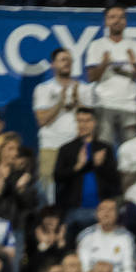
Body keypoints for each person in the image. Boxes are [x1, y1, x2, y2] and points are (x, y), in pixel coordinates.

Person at [33, 49, 94, 205]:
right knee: (48, 193)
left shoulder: (84, 89)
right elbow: (42, 120)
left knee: (75, 189)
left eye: (69, 60)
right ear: (53, 64)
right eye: (62, 59)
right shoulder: (43, 89)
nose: (67, 62)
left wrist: (78, 102)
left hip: (75, 146)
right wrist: (60, 103)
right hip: (51, 146)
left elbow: (90, 121)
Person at [84, 5, 136, 145]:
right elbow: (91, 77)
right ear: (106, 21)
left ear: (126, 21)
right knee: (103, 149)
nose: (117, 21)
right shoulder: (96, 45)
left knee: (131, 150)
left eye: (121, 17)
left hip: (129, 105)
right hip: (104, 104)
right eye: (112, 17)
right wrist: (104, 63)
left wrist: (134, 63)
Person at [55, 109, 121, 232]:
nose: (83, 125)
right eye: (80, 121)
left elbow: (115, 181)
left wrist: (99, 165)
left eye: (87, 121)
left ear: (95, 123)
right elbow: (58, 177)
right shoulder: (66, 149)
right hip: (73, 210)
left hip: (100, 211)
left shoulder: (105, 148)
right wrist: (78, 167)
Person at [76, 199, 135, 272]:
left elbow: (129, 269)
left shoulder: (126, 237)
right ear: (96, 214)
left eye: (111, 210)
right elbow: (84, 267)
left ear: (117, 214)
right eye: (102, 209)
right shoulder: (86, 235)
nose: (106, 214)